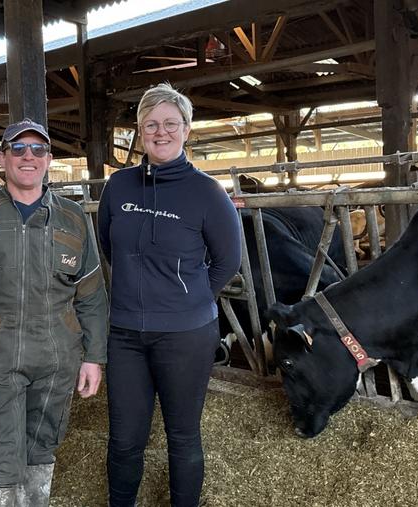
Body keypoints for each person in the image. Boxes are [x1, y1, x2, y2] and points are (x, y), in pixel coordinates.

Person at [0, 118, 108, 506]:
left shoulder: (73, 218)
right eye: (17, 149)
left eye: (37, 150)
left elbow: (92, 295)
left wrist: (95, 357)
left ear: (49, 159)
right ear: (2, 158)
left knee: (42, 449)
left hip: (58, 356)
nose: (27, 157)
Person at [97, 83, 242, 507]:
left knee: (182, 435)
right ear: (139, 132)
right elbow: (109, 246)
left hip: (185, 335)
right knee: (124, 439)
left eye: (171, 124)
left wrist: (190, 301)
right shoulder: (118, 187)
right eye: (151, 124)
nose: (161, 133)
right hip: (125, 334)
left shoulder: (208, 194)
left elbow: (227, 262)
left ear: (186, 130)